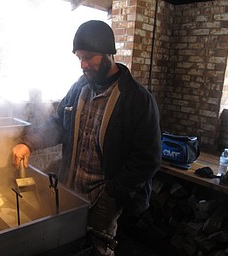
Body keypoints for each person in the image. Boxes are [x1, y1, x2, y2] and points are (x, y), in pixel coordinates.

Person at [12, 20, 162, 256]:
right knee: (68, 243)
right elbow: (57, 124)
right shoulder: (79, 87)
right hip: (71, 187)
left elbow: (147, 158)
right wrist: (27, 143)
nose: (83, 65)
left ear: (109, 53)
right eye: (79, 58)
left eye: (89, 57)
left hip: (105, 195)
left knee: (98, 247)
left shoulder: (137, 99)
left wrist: (113, 192)